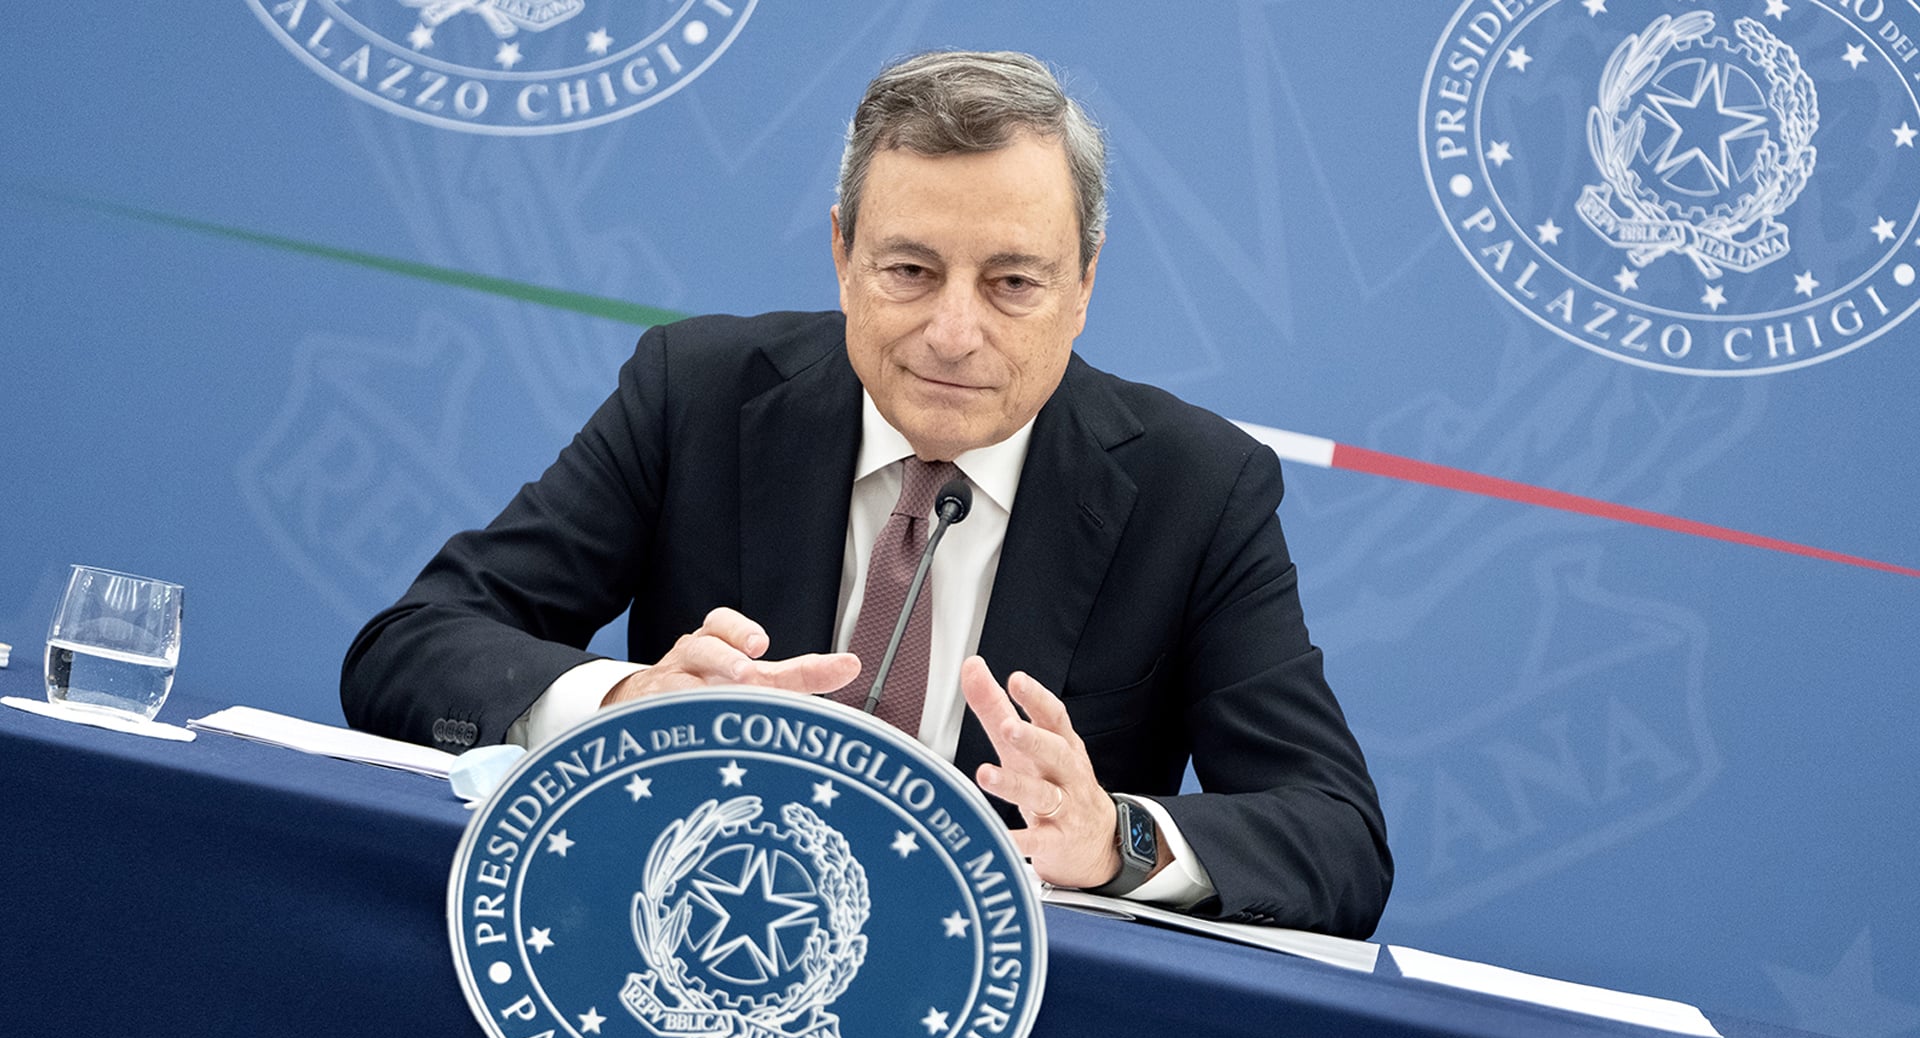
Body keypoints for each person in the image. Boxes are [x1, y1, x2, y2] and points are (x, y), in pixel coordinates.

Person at [343, 50, 1391, 937]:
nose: (953, 333)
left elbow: (1337, 836)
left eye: (1013, 283)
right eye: (910, 271)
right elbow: (410, 647)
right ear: (844, 255)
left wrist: (1114, 838)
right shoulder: (698, 394)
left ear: (1083, 286)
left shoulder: (1194, 489)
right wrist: (625, 707)